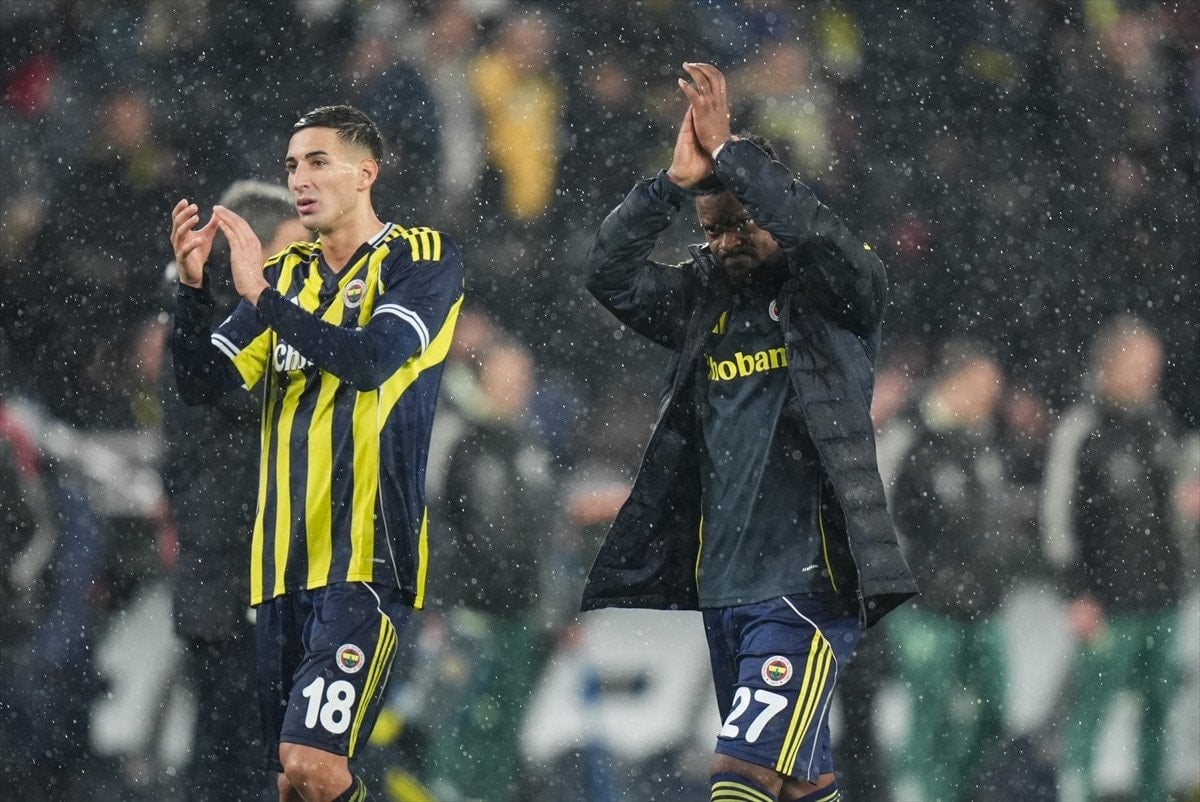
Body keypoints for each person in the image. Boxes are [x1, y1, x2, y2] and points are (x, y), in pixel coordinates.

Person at [578, 62, 917, 802]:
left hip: (807, 584)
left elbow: (816, 233)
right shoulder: (700, 301)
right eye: (713, 229)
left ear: (773, 207)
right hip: (724, 587)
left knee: (740, 776)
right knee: (798, 785)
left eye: (742, 221)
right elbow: (607, 274)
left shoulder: (834, 294)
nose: (728, 240)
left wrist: (731, 153)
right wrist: (670, 185)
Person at [168, 104, 465, 802]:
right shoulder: (287, 274)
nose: (299, 178)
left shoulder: (420, 257)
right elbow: (201, 383)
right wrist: (192, 292)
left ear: (366, 173)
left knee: (314, 766)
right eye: (292, 166)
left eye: (318, 162)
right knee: (291, 782)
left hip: (366, 558)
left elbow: (371, 360)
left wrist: (262, 298)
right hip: (280, 567)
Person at [160, 179, 310, 801]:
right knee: (240, 756)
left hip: (236, 579)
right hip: (233, 580)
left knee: (238, 751)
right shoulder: (219, 335)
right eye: (293, 249)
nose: (306, 265)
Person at [1040, 315, 1184, 802]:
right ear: (1112, 364)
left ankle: (1154, 794)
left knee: (1158, 714)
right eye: (1142, 362)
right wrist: (1076, 593)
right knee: (1089, 712)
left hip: (1162, 600)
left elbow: (1169, 510)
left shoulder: (1159, 422)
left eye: (1154, 362)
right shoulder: (1083, 428)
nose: (1152, 372)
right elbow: (1057, 520)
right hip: (1106, 605)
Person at [886, 339, 1020, 802]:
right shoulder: (909, 434)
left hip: (984, 605)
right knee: (930, 719)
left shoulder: (983, 440)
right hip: (924, 609)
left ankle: (955, 791)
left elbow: (991, 521)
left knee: (992, 715)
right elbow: (872, 516)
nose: (991, 399)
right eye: (984, 387)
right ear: (954, 382)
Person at [425, 336, 556, 802]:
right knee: (454, 725)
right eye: (508, 377)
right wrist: (439, 601)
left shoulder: (527, 442)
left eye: (525, 378)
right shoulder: (456, 436)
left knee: (502, 731)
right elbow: (433, 521)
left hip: (519, 612)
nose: (519, 388)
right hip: (467, 610)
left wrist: (553, 602)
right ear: (484, 380)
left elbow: (545, 530)